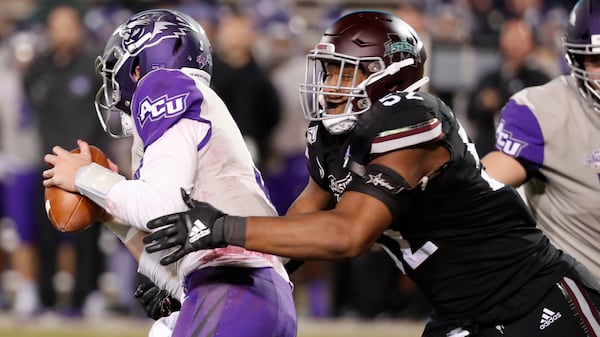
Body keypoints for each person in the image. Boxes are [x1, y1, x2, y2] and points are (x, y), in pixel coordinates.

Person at [143, 10, 600, 337]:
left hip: (537, 297)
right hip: (461, 314)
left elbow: (349, 234)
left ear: (388, 77)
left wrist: (220, 227)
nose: (328, 86)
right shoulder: (332, 140)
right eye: (327, 71)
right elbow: (295, 234)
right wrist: (201, 280)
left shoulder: (415, 120)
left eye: (344, 73)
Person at [42, 9, 296, 337]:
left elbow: (159, 208)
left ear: (139, 66)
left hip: (235, 288)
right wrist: (110, 214)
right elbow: (174, 251)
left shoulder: (162, 84)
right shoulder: (189, 104)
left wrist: (85, 176)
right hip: (244, 291)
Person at [481, 0, 600, 281]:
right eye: (597, 60)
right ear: (576, 59)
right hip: (582, 296)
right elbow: (488, 182)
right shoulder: (546, 110)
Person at [23, 4, 107, 316]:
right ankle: (45, 299)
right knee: (45, 232)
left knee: (89, 234)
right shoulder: (38, 68)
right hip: (48, 163)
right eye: (56, 26)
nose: (62, 32)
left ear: (78, 29)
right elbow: (30, 101)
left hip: (85, 163)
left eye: (67, 25)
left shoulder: (92, 66)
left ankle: (87, 296)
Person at [467, 18, 551, 156]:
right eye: (511, 41)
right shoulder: (490, 79)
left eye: (520, 42)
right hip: (489, 153)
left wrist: (501, 99)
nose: (514, 48)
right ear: (502, 43)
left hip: (529, 155)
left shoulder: (540, 80)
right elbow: (470, 112)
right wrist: (482, 103)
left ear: (530, 46)